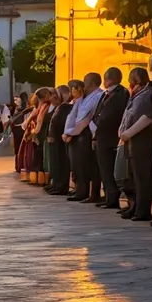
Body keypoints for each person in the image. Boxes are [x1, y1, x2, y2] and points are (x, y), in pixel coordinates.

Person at [119, 68, 152, 221]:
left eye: (132, 82)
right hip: (133, 142)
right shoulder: (138, 96)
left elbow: (147, 117)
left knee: (142, 179)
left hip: (142, 142)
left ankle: (143, 211)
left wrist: (127, 133)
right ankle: (135, 206)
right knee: (134, 178)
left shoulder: (146, 95)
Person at [93, 68, 129, 209]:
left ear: (108, 79)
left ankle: (113, 197)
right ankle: (109, 195)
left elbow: (109, 115)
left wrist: (99, 121)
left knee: (109, 167)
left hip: (110, 135)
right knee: (104, 168)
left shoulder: (120, 93)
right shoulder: (106, 94)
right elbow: (98, 113)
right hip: (102, 135)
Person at [65, 72, 103, 203]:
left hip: (86, 133)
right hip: (77, 132)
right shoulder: (84, 97)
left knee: (87, 165)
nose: (83, 86)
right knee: (78, 164)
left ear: (91, 84)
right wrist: (68, 131)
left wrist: (73, 131)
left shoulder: (98, 95)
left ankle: (89, 192)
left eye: (85, 83)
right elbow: (73, 115)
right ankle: (81, 190)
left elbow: (88, 116)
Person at [47, 84, 77, 196]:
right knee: (55, 163)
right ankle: (56, 184)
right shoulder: (60, 106)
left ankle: (61, 186)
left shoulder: (67, 107)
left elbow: (61, 123)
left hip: (60, 140)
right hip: (55, 140)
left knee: (61, 163)